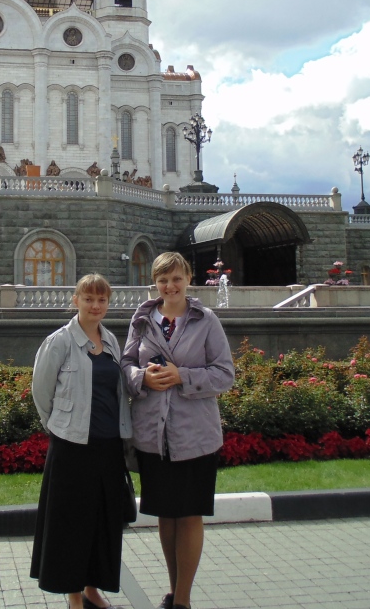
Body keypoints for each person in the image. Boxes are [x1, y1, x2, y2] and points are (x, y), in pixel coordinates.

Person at [122, 253, 235, 609]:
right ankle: (174, 591)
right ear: (154, 283)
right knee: (166, 517)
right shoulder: (141, 321)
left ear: (188, 279)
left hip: (194, 436)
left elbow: (225, 374)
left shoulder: (206, 320)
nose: (170, 286)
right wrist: (143, 377)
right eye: (162, 280)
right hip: (154, 436)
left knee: (188, 516)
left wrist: (183, 375)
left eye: (176, 279)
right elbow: (125, 364)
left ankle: (183, 600)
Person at [31, 274, 133, 609]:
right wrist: (60, 427)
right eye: (88, 298)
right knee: (71, 523)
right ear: (75, 300)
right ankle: (74, 594)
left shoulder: (112, 341)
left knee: (102, 522)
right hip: (72, 448)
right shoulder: (59, 342)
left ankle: (93, 589)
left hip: (108, 446)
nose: (95, 305)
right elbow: (41, 392)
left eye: (102, 299)